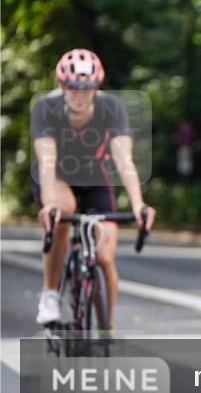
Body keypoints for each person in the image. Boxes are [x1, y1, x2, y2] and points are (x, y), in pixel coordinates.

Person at [31, 48, 157, 333]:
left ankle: (106, 330)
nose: (79, 94)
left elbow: (124, 159)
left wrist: (138, 204)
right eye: (73, 88)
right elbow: (47, 161)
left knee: (104, 257)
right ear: (62, 86)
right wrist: (49, 205)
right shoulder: (45, 108)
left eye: (86, 88)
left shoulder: (111, 108)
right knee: (64, 209)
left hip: (94, 179)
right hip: (57, 178)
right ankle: (50, 294)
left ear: (97, 87)